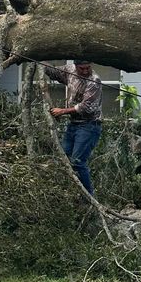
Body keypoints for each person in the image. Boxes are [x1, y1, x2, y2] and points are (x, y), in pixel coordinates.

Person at [45, 59, 104, 195]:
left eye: (87, 68)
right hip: (74, 125)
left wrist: (62, 111)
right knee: (63, 158)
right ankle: (68, 194)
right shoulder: (70, 70)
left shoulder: (94, 81)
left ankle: (89, 198)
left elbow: (86, 107)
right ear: (76, 66)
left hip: (89, 126)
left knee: (78, 162)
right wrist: (40, 63)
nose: (85, 71)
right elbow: (53, 72)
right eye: (81, 68)